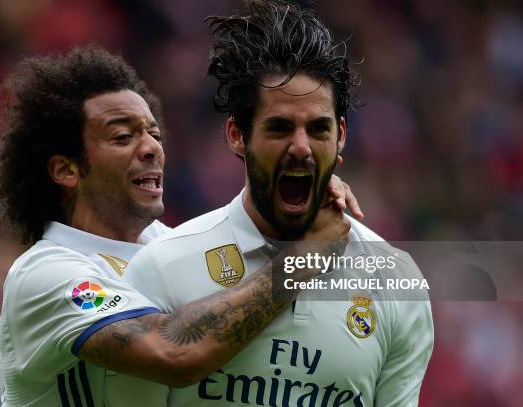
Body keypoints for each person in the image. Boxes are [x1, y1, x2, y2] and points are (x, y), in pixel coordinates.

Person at [0, 45, 361, 406]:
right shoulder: (48, 274)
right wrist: (304, 257)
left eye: (153, 134)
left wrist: (308, 188)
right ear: (66, 170)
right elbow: (173, 353)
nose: (152, 148)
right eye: (123, 137)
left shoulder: (168, 245)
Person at [123, 1, 434, 406]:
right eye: (280, 127)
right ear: (237, 134)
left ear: (340, 135)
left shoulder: (395, 282)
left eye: (318, 128)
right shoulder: (162, 268)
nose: (301, 147)